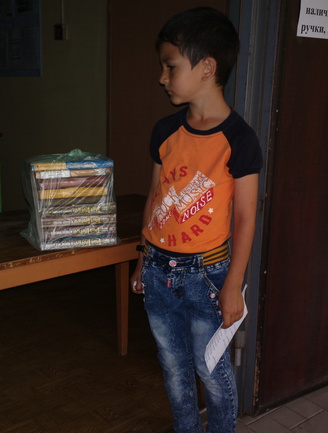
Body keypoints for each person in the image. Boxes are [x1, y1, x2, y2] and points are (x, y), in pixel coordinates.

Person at [129, 7, 263, 433]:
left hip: (207, 275)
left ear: (207, 67)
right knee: (173, 365)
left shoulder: (239, 140)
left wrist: (233, 285)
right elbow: (156, 199)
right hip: (157, 270)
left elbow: (246, 218)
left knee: (209, 367)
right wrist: (142, 258)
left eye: (170, 66)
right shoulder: (165, 131)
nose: (162, 77)